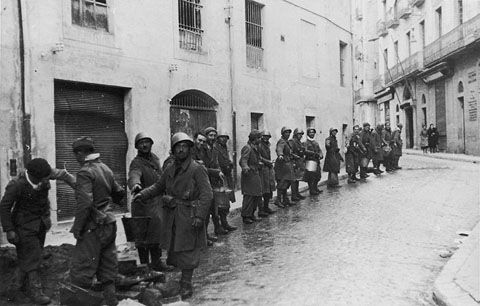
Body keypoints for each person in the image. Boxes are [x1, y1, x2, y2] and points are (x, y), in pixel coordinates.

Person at [133, 132, 212, 299]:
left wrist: (200, 216)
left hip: (189, 214)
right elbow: (158, 186)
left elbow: (207, 194)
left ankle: (186, 284)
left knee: (188, 251)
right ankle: (180, 281)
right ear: (173, 150)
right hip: (173, 215)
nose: (181, 150)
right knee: (176, 250)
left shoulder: (197, 169)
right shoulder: (170, 168)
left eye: (184, 146)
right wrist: (143, 194)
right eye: (178, 147)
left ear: (190, 149)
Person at [0, 158, 75, 305]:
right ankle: (36, 292)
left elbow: (64, 175)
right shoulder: (16, 185)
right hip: (23, 226)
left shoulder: (45, 173)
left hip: (40, 224)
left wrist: (79, 188)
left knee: (28, 257)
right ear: (32, 175)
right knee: (33, 257)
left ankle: (13, 291)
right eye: (40, 179)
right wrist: (9, 230)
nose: (44, 181)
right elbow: (4, 208)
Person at [69, 136, 126, 306]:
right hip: (109, 223)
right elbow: (119, 193)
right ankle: (111, 301)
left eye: (76, 155)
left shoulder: (85, 172)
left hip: (93, 227)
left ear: (80, 153)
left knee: (82, 270)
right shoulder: (105, 168)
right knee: (107, 267)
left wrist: (77, 227)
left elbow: (85, 203)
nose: (76, 159)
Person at [128, 132, 173, 272]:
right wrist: (135, 185)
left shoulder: (154, 158)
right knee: (142, 236)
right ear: (137, 146)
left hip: (155, 202)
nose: (145, 145)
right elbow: (134, 174)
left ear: (151, 144)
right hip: (142, 202)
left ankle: (156, 262)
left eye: (147, 142)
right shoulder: (136, 162)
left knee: (156, 233)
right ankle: (144, 265)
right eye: (141, 143)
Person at [191, 131, 222, 245]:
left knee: (207, 210)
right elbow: (199, 169)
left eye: (203, 141)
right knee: (198, 212)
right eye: (199, 140)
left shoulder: (204, 150)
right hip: (194, 185)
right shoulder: (191, 151)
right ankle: (200, 238)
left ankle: (205, 235)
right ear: (194, 139)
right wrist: (215, 172)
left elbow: (206, 166)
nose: (201, 143)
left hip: (204, 182)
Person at [212, 130, 237, 232]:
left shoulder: (224, 148)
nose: (224, 139)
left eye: (226, 138)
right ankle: (218, 226)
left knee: (225, 203)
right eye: (222, 137)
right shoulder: (215, 148)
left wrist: (230, 163)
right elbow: (216, 163)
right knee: (218, 204)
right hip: (218, 178)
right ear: (218, 138)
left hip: (226, 177)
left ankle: (225, 223)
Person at [239, 130, 264, 223]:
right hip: (249, 175)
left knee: (256, 195)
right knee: (249, 196)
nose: (260, 139)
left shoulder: (255, 147)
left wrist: (259, 163)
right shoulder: (247, 148)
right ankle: (246, 216)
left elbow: (256, 159)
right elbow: (243, 160)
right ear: (255, 139)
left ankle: (252, 214)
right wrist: (245, 168)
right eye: (259, 138)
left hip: (255, 174)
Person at [274, 127, 295, 207]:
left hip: (287, 163)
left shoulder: (287, 142)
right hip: (282, 164)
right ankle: (278, 200)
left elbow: (289, 152)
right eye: (286, 132)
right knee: (282, 183)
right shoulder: (282, 141)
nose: (288, 134)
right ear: (282, 133)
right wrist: (280, 155)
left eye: (289, 132)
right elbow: (279, 148)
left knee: (286, 182)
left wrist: (295, 156)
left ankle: (285, 199)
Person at [258, 130, 276, 214]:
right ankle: (261, 210)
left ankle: (266, 207)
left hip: (268, 169)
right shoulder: (259, 145)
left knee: (268, 190)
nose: (266, 138)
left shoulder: (267, 145)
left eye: (267, 137)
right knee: (262, 190)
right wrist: (267, 162)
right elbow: (259, 157)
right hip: (262, 170)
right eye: (264, 136)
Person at [303, 128, 323, 195]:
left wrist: (321, 155)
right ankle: (311, 190)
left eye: (313, 132)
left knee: (317, 176)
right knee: (311, 176)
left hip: (316, 161)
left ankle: (315, 188)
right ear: (308, 134)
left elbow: (320, 150)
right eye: (310, 132)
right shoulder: (306, 143)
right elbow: (305, 151)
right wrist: (313, 153)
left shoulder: (316, 143)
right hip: (310, 161)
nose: (312, 134)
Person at [289, 128, 306, 201]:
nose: (300, 136)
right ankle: (293, 195)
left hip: (299, 162)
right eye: (299, 134)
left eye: (301, 134)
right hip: (293, 162)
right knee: (294, 180)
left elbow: (302, 150)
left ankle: (297, 193)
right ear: (295, 134)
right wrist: (296, 156)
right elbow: (290, 152)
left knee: (298, 178)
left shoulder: (299, 142)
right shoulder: (292, 142)